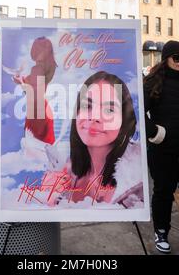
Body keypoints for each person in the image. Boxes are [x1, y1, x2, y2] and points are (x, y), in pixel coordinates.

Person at [45, 71, 144, 210]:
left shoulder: (137, 183)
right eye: (87, 106)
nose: (94, 117)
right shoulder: (62, 171)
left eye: (109, 110)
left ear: (124, 122)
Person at [143, 40, 179, 254]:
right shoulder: (153, 83)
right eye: (177, 57)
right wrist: (154, 133)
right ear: (166, 59)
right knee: (163, 191)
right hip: (163, 149)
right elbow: (136, 110)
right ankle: (161, 231)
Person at [13, 37, 58, 144]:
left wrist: (21, 83)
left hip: (36, 112)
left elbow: (33, 92)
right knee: (46, 150)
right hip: (44, 110)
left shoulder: (37, 69)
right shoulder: (48, 67)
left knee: (33, 150)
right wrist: (23, 80)